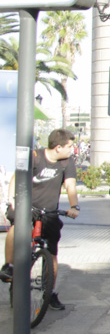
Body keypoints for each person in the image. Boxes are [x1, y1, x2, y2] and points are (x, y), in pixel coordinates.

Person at [0, 129, 80, 311]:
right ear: (58, 147)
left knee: (51, 253)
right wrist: (13, 201)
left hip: (49, 211)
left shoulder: (66, 162)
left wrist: (74, 206)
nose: (72, 149)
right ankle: (10, 266)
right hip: (27, 206)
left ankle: (49, 293)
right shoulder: (35, 156)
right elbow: (17, 178)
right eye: (69, 146)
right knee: (18, 228)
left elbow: (70, 185)